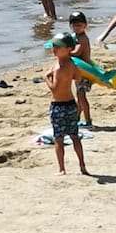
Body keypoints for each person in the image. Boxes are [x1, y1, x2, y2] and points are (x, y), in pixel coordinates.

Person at [43, 33, 89, 176]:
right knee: (75, 136)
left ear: (69, 48)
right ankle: (82, 165)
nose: (54, 49)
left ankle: (62, 169)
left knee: (59, 138)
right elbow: (78, 77)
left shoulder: (57, 67)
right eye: (54, 46)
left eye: (58, 47)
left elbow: (55, 89)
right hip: (71, 104)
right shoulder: (71, 63)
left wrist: (46, 78)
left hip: (58, 105)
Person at [69, 11, 94, 127]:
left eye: (79, 25)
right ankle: (77, 118)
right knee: (80, 96)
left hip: (84, 72)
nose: (76, 28)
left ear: (85, 25)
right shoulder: (77, 36)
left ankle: (88, 120)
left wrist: (65, 51)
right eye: (74, 26)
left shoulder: (82, 38)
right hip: (81, 71)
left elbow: (77, 52)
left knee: (81, 96)